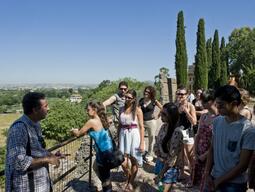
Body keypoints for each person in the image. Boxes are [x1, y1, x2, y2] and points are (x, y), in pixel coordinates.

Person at [5, 92, 61, 192]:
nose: (48, 109)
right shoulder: (19, 128)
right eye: (46, 106)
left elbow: (36, 150)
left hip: (39, 185)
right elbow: (18, 162)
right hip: (26, 187)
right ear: (35, 110)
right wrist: (48, 159)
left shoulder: (36, 124)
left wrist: (51, 155)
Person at [204, 85, 255, 192]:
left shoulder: (247, 130)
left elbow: (243, 165)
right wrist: (207, 173)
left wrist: (219, 181)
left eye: (221, 105)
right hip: (214, 177)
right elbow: (212, 149)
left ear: (234, 103)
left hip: (234, 185)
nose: (217, 108)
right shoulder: (217, 122)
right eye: (216, 104)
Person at [71, 101, 114, 192]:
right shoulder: (102, 118)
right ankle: (106, 187)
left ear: (94, 110)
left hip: (103, 152)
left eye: (88, 110)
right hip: (108, 149)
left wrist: (73, 131)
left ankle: (107, 188)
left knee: (104, 176)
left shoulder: (91, 121)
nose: (87, 112)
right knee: (99, 170)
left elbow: (78, 133)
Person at [153, 103, 184, 192]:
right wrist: (158, 154)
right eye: (161, 112)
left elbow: (172, 158)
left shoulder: (177, 132)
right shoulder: (164, 126)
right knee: (160, 188)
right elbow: (157, 142)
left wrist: (161, 174)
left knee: (164, 190)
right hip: (160, 162)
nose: (161, 115)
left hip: (169, 168)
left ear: (171, 116)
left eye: (164, 114)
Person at [119, 89, 145, 191]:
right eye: (126, 97)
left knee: (134, 160)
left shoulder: (138, 110)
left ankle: (130, 182)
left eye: (129, 97)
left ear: (134, 99)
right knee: (122, 162)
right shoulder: (121, 109)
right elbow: (120, 125)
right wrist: (118, 140)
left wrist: (142, 142)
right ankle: (129, 177)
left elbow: (142, 127)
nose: (127, 99)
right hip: (123, 135)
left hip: (134, 135)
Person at [192, 89, 218, 189]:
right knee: (200, 183)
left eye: (204, 101)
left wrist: (205, 155)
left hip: (211, 155)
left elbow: (216, 142)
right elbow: (198, 135)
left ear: (212, 101)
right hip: (199, 152)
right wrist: (195, 152)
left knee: (208, 183)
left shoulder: (220, 118)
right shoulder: (203, 116)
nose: (201, 103)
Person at [175, 86, 197, 181]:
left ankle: (192, 177)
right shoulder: (176, 105)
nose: (180, 96)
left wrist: (187, 112)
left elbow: (194, 122)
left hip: (188, 133)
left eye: (182, 94)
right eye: (178, 93)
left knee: (190, 156)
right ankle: (182, 173)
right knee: (180, 155)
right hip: (178, 133)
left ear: (187, 95)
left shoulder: (190, 106)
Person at [138, 86, 162, 162]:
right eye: (145, 91)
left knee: (151, 138)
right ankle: (141, 151)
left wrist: (157, 116)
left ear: (151, 93)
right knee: (139, 137)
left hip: (151, 122)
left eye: (148, 92)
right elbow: (137, 110)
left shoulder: (154, 100)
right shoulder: (141, 100)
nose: (146, 93)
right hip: (141, 122)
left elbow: (162, 108)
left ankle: (150, 154)